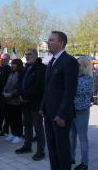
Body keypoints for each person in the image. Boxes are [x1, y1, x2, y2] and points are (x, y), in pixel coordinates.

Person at [40, 31, 79, 170]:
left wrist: (62, 115)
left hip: (60, 116)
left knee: (62, 149)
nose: (48, 42)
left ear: (61, 43)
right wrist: (42, 107)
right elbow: (48, 87)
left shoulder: (70, 61)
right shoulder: (52, 61)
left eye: (51, 40)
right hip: (49, 113)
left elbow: (70, 91)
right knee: (52, 148)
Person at [15, 49, 46, 161]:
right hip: (24, 103)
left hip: (35, 103)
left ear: (36, 55)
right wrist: (20, 95)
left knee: (38, 128)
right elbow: (19, 82)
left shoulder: (42, 68)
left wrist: (25, 96)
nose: (27, 56)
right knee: (27, 126)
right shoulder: (25, 68)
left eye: (30, 54)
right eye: (26, 54)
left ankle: (40, 151)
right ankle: (27, 146)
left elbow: (39, 86)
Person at [70, 57, 93, 170]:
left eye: (78, 65)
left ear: (85, 66)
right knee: (71, 135)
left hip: (81, 111)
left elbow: (79, 90)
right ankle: (71, 157)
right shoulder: (75, 77)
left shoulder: (88, 78)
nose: (75, 67)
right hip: (72, 110)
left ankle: (85, 163)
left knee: (82, 137)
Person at [3, 59, 23, 144]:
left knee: (17, 118)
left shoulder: (21, 74)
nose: (13, 65)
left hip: (16, 100)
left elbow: (19, 88)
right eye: (12, 64)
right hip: (8, 100)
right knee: (9, 118)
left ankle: (18, 135)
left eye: (15, 64)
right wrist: (4, 92)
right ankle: (12, 133)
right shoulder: (11, 74)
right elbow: (7, 84)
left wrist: (10, 94)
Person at [0, 53, 11, 135]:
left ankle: (6, 128)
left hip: (4, 95)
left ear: (8, 60)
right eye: (1, 59)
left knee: (5, 113)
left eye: (4, 59)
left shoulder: (9, 70)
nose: (2, 60)